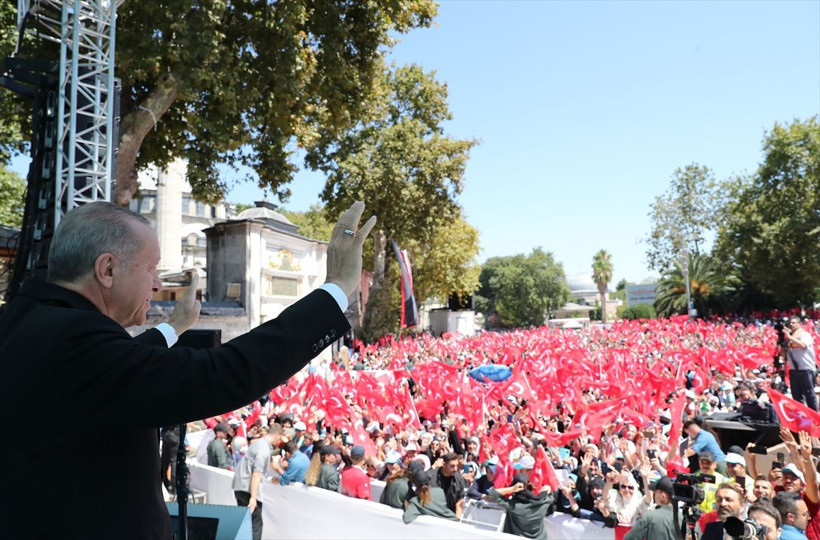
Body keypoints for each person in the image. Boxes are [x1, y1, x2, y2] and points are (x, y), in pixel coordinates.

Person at [0, 200, 375, 539]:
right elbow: (224, 374)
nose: (158, 283)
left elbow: (118, 370)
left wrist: (171, 329)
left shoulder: (28, 322)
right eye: (151, 269)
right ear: (108, 269)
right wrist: (336, 289)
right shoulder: (77, 343)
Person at [233, 427, 284, 540]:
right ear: (277, 435)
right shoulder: (264, 449)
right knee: (255, 525)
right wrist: (253, 497)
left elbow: (271, 461)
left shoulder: (259, 444)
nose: (279, 442)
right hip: (248, 489)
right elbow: (256, 474)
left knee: (244, 523)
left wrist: (283, 474)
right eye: (280, 438)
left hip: (239, 486)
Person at [487, 473, 554, 540]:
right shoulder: (544, 502)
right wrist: (544, 491)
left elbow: (492, 493)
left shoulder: (515, 506)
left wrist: (512, 489)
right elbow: (549, 490)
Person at [782, 316, 818, 410]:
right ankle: (801, 416)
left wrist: (789, 336)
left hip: (806, 368)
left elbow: (802, 345)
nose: (791, 325)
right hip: (794, 369)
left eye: (794, 323)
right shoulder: (790, 338)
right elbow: (784, 353)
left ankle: (815, 416)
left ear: (799, 324)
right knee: (796, 395)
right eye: (790, 323)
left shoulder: (805, 335)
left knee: (809, 394)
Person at [160, 425, 181, 494]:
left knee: (165, 460)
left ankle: (163, 482)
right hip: (174, 436)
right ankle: (174, 486)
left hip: (166, 435)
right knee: (173, 461)